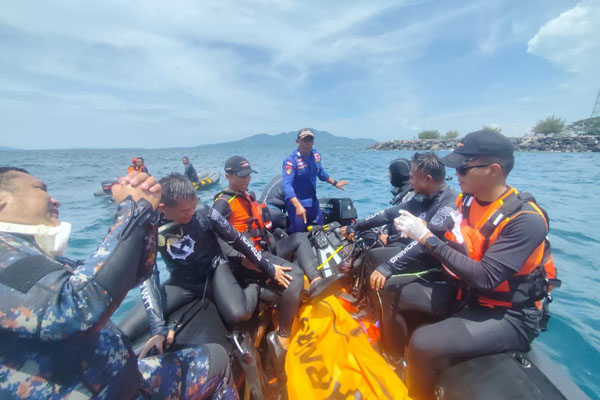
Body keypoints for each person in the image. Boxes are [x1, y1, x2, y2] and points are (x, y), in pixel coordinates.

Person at [0, 167, 238, 399]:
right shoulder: (7, 257)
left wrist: (148, 215)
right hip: (108, 389)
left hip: (110, 377)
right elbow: (80, 311)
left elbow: (131, 273)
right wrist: (133, 209)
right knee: (217, 360)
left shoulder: (27, 252)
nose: (55, 200)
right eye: (40, 189)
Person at [393, 130, 557, 399]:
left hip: (510, 315)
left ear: (494, 170)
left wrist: (425, 237)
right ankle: (396, 365)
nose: (456, 173)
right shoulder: (466, 200)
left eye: (463, 167)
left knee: (422, 343)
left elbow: (487, 277)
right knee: (394, 291)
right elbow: (446, 237)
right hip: (467, 294)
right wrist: (421, 230)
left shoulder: (526, 220)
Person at [119, 174, 296, 362]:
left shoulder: (204, 212)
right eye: (185, 211)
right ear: (163, 208)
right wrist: (158, 329)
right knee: (123, 332)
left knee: (240, 314)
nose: (192, 213)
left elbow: (237, 239)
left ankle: (254, 287)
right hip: (182, 282)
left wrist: (268, 268)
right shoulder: (150, 226)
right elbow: (148, 275)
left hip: (215, 270)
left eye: (194, 206)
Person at [283, 128, 349, 233]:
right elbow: (287, 185)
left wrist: (335, 183)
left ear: (313, 142)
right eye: (304, 140)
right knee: (298, 233)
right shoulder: (291, 161)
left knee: (319, 231)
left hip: (313, 202)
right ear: (297, 141)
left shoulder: (316, 156)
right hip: (298, 204)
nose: (307, 143)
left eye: (310, 140)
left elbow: (321, 172)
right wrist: (298, 206)